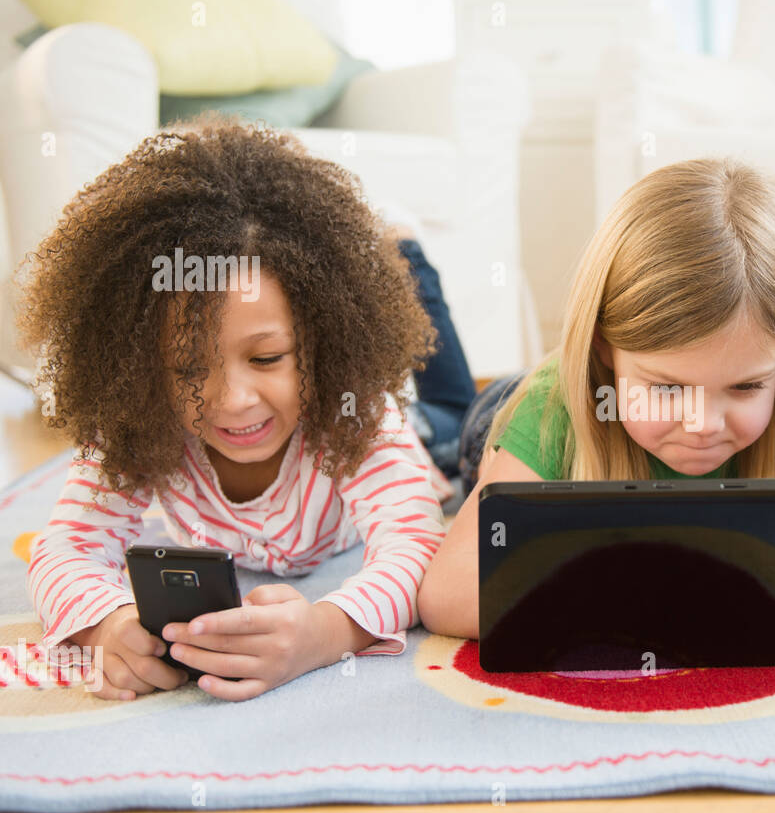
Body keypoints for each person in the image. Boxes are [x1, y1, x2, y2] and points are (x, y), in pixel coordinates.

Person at [20, 117, 464, 702]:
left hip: (420, 435)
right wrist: (106, 625)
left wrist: (327, 632)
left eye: (269, 357)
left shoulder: (353, 408)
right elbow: (67, 546)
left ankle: (404, 249)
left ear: (325, 339)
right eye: (186, 369)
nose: (231, 401)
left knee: (455, 415)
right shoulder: (138, 418)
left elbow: (415, 546)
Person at [420, 158, 775, 658]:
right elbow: (446, 596)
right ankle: (409, 254)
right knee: (444, 415)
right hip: (502, 413)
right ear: (604, 348)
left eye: (747, 387)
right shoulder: (553, 411)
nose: (702, 425)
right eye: (666, 389)